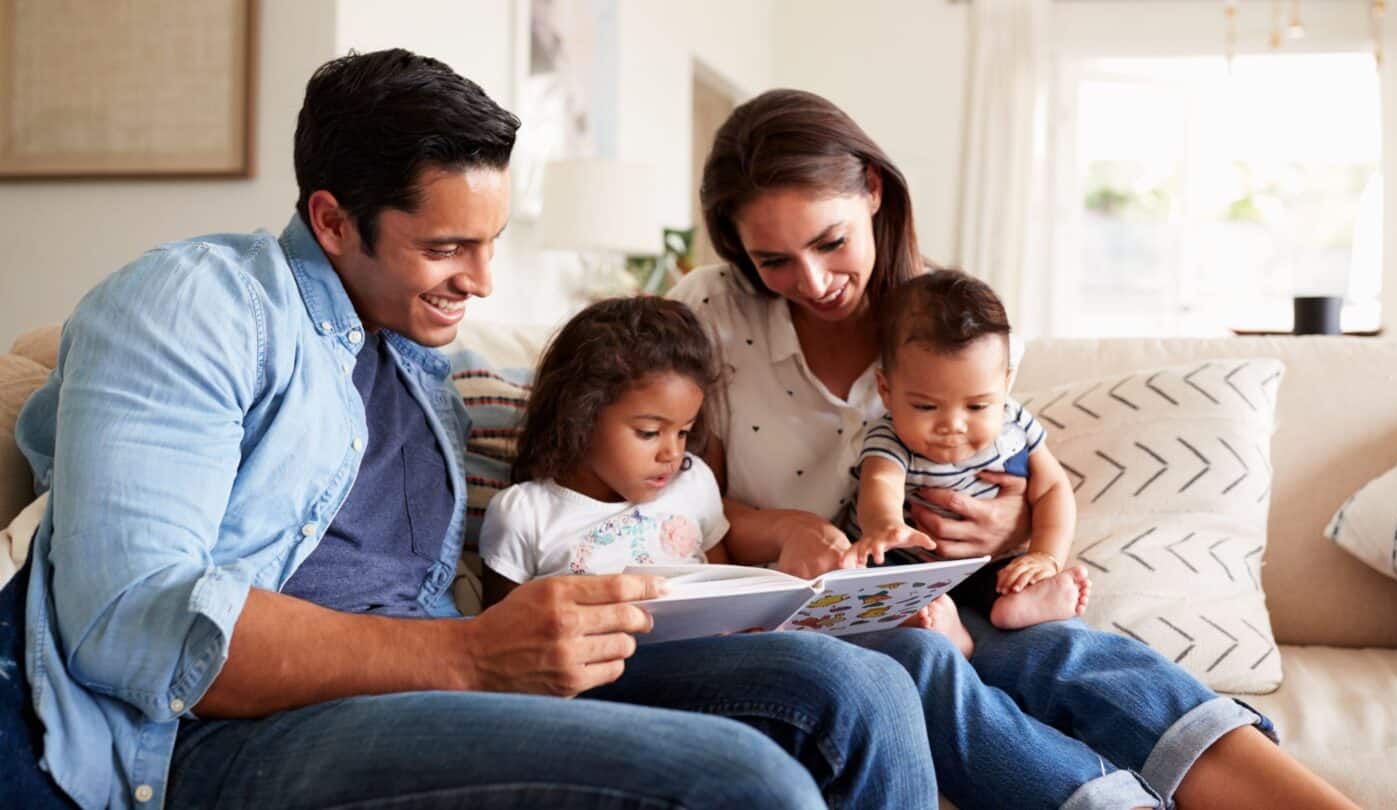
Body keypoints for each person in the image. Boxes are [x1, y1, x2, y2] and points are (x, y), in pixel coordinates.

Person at [8, 52, 939, 809]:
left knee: (859, 690)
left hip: (441, 678)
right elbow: (130, 623)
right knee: (745, 784)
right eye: (449, 248)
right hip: (233, 738)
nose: (483, 281)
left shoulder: (421, 362)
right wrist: (470, 652)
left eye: (491, 243)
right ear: (333, 221)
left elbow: (597, 421)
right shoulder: (195, 305)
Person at [671, 86, 1359, 809]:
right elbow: (686, 502)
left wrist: (1014, 528)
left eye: (830, 242)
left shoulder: (958, 327)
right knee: (922, 663)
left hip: (942, 582)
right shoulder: (712, 312)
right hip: (800, 610)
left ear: (872, 190)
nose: (812, 283)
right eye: (773, 259)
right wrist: (787, 529)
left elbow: (1015, 480)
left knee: (1072, 656)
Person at [843, 271, 1091, 658]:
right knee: (870, 582)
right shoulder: (890, 436)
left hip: (984, 564)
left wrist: (1044, 555)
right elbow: (881, 482)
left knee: (1012, 575)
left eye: (977, 406)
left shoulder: (1014, 423)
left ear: (1006, 385)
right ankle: (941, 626)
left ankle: (1023, 604)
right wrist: (886, 526)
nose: (952, 426)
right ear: (886, 391)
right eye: (925, 406)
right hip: (907, 561)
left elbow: (1053, 489)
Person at [479, 296, 731, 602]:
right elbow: (500, 631)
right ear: (580, 416)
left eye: (683, 432)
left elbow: (729, 589)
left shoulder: (694, 482)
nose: (672, 454)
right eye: (648, 433)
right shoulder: (524, 514)